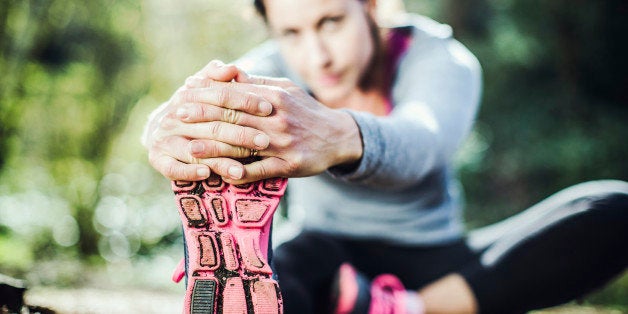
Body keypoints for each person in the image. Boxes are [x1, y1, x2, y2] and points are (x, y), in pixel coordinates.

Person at [142, 0, 628, 313]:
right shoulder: (268, 70)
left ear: (370, 6)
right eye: (292, 33)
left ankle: (407, 309)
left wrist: (337, 135)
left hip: (439, 261)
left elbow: (423, 141)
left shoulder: (440, 59)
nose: (317, 55)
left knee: (613, 209)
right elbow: (193, 104)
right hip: (324, 257)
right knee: (278, 269)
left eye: (330, 22)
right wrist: (161, 131)